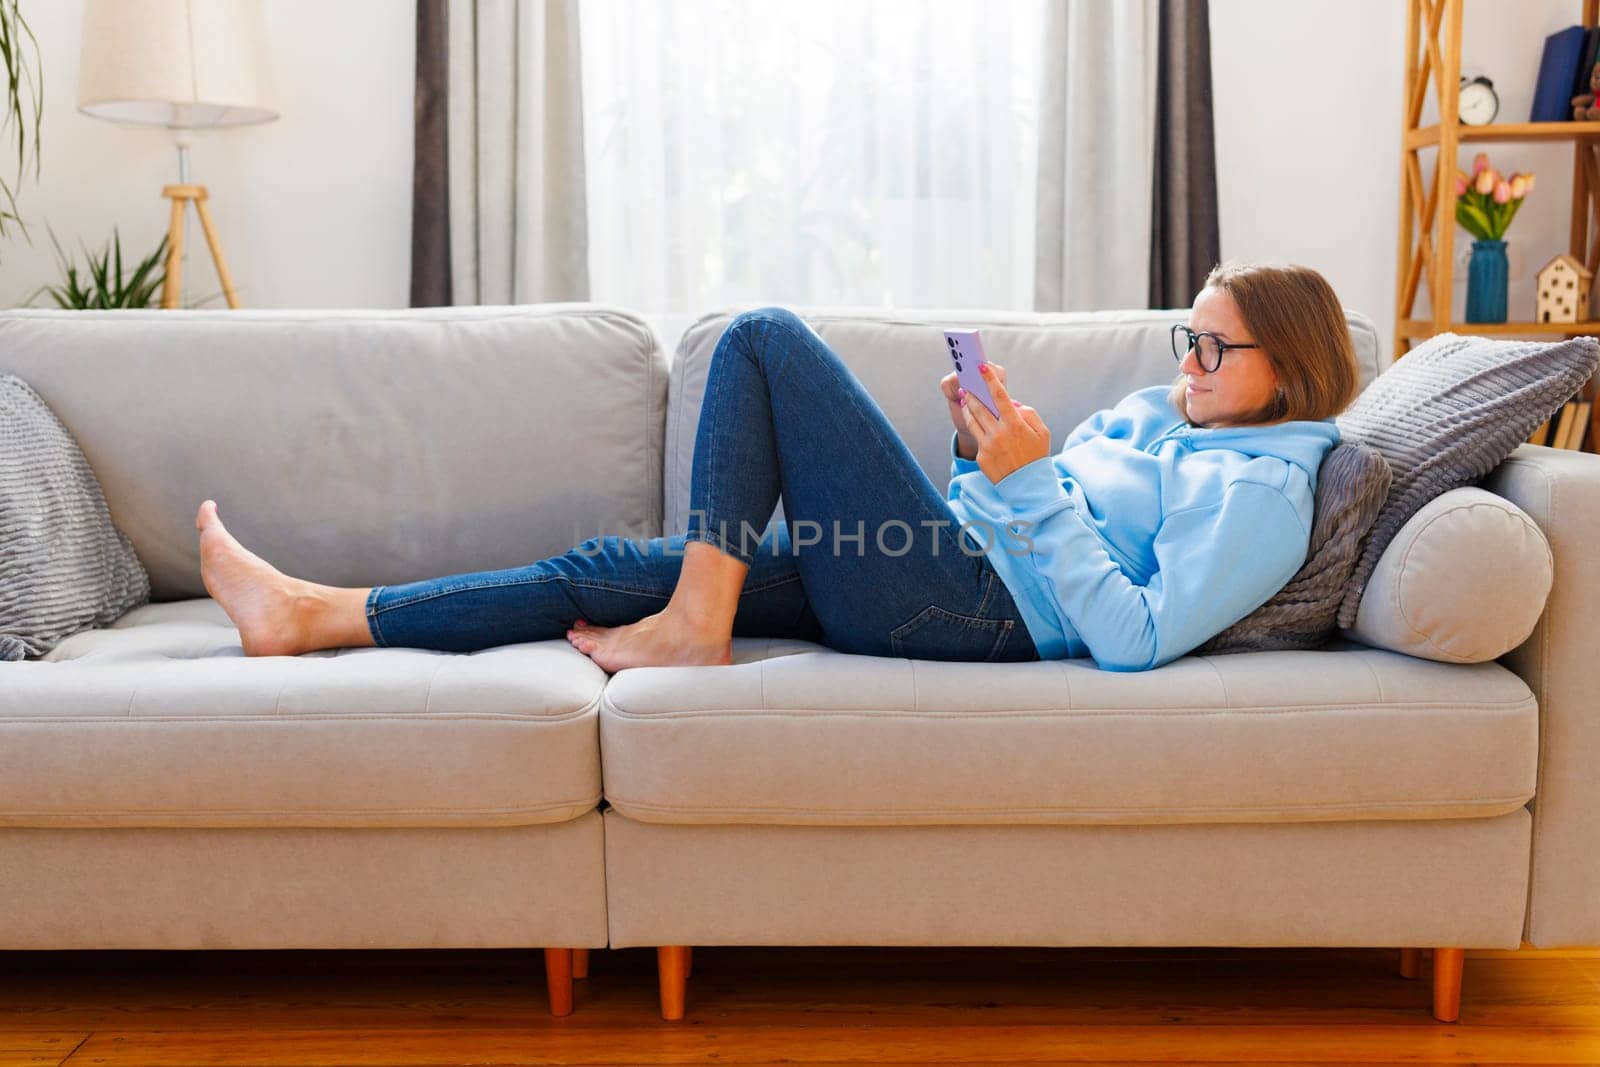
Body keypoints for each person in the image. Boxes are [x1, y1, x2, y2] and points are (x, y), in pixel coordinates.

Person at [196, 261, 1358, 673]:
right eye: (1186, 335)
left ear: (1290, 367)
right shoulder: (1176, 417)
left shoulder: (1261, 489)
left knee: (763, 339)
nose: (1188, 360)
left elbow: (1135, 637)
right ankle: (313, 614)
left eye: (1216, 346)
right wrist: (986, 451)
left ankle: (697, 622)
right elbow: (1034, 496)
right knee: (608, 568)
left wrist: (1033, 481)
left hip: (978, 610)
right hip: (952, 560)